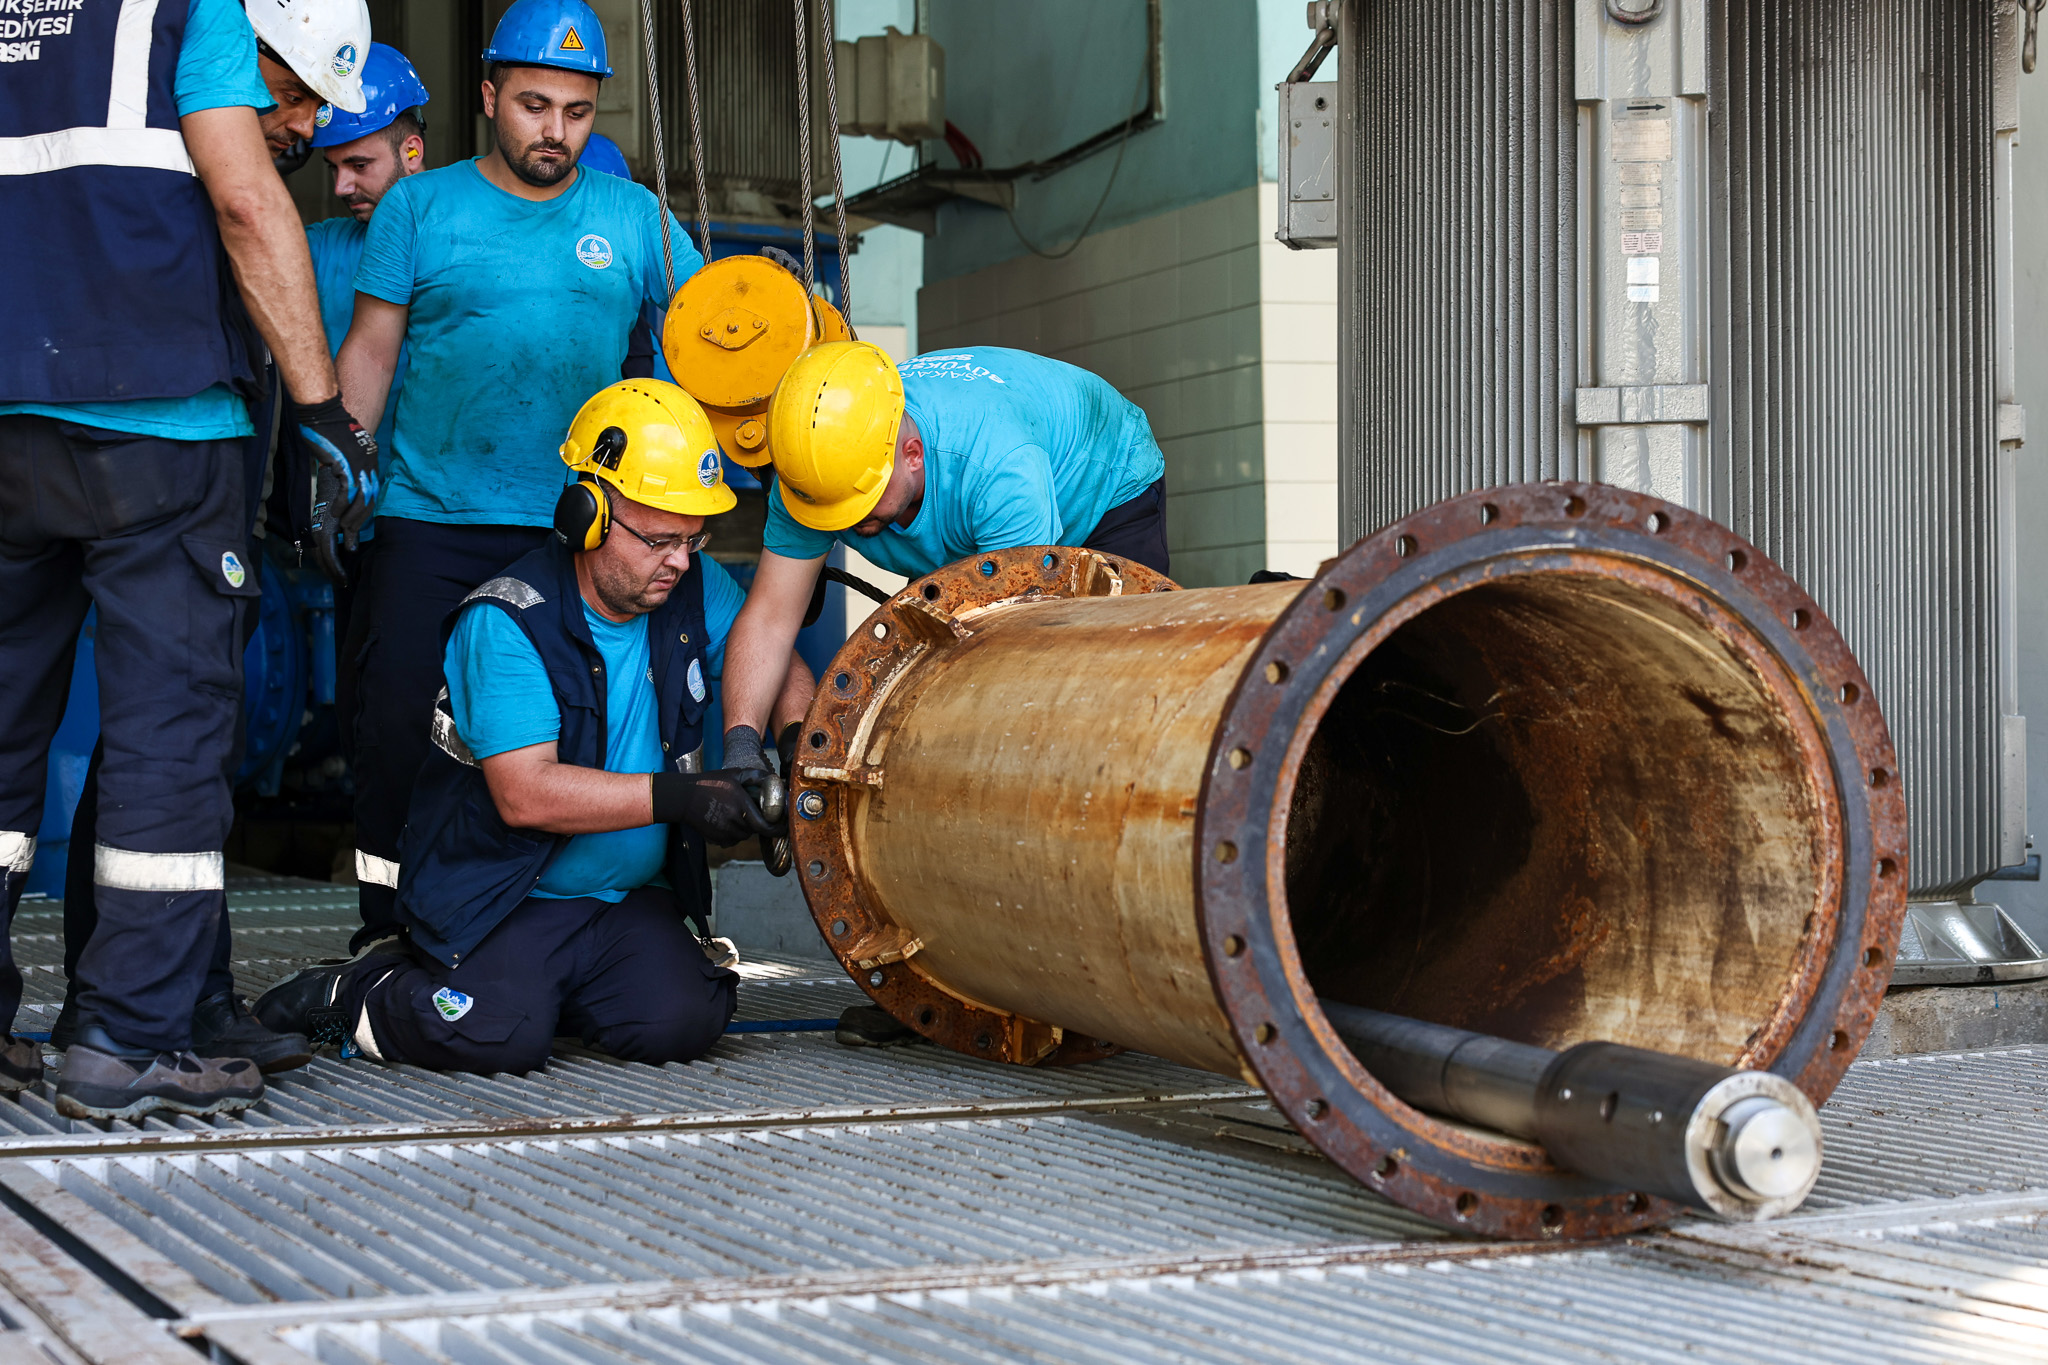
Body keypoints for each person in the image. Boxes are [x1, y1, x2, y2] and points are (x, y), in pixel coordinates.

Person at [0, 0, 377, 1119]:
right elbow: (247, 203)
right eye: (295, 95)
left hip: (9, 420)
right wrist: (321, 412)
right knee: (171, 730)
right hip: (157, 429)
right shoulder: (186, 10)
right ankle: (129, 1033)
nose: (299, 122)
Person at [254, 381, 812, 1073]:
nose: (680, 559)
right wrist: (684, 798)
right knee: (497, 1035)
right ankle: (353, 990)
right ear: (590, 516)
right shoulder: (508, 621)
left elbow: (777, 659)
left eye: (693, 540)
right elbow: (526, 794)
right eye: (661, 539)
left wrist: (772, 745)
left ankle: (540, 991)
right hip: (507, 896)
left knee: (684, 1019)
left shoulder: (691, 589)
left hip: (624, 901)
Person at [336, 0, 703, 954]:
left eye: (578, 111)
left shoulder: (634, 218)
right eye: (535, 105)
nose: (556, 131)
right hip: (429, 518)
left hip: (575, 530)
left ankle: (582, 928)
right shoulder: (421, 207)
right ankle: (389, 929)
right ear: (490, 95)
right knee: (398, 732)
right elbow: (373, 353)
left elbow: (712, 343)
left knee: (592, 733)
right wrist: (337, 462)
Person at [716, 342, 1169, 778]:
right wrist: (741, 748)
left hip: (1104, 475)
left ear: (911, 455)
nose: (846, 523)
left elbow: (1023, 640)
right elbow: (770, 618)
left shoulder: (998, 468)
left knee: (1107, 668)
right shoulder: (816, 479)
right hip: (973, 508)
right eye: (831, 512)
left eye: (859, 501)